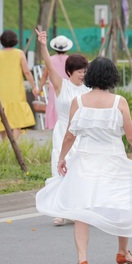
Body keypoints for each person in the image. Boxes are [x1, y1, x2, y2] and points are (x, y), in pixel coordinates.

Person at [35, 57, 132, 264]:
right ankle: (123, 252)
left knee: (81, 213)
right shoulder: (118, 102)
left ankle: (82, 260)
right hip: (114, 161)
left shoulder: (79, 101)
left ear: (91, 75)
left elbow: (69, 134)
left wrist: (62, 158)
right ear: (112, 77)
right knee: (121, 207)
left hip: (85, 161)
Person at [36, 30, 90, 226]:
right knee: (59, 168)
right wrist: (43, 45)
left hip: (82, 133)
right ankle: (59, 211)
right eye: (80, 72)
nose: (83, 75)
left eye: (85, 71)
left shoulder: (88, 89)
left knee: (81, 170)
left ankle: (80, 210)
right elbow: (49, 67)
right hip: (63, 130)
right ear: (69, 72)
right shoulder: (61, 85)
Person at [0, 30, 38, 140]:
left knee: (2, 114)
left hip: (2, 90)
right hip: (16, 90)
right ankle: (14, 142)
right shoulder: (19, 53)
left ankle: (4, 143)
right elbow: (26, 72)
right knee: (17, 118)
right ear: (15, 41)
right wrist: (34, 86)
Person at [38, 35, 73, 130]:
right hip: (67, 86)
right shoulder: (70, 59)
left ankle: (54, 125)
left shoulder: (51, 59)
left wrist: (39, 89)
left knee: (54, 105)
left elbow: (44, 76)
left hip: (53, 86)